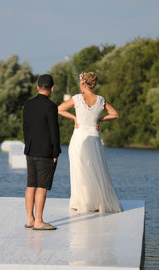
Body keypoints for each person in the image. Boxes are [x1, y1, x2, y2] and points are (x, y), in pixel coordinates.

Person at [58, 72, 123, 213]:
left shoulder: (77, 98)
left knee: (80, 170)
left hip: (79, 137)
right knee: (96, 170)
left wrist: (74, 118)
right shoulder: (100, 100)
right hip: (94, 137)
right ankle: (97, 202)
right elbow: (115, 114)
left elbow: (59, 109)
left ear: (83, 83)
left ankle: (82, 202)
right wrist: (100, 120)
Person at [23, 74, 61, 230]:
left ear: (38, 87)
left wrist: (28, 146)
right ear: (51, 89)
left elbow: (25, 128)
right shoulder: (51, 106)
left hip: (30, 150)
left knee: (31, 184)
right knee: (42, 186)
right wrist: (55, 152)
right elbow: (54, 131)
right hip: (45, 152)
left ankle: (30, 220)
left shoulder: (28, 104)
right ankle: (39, 221)